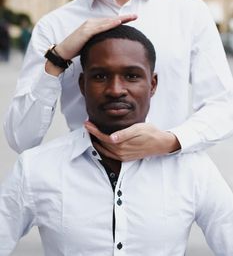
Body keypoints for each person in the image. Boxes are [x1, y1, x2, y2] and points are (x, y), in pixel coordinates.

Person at [4, 0, 233, 158]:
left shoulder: (189, 11)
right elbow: (20, 138)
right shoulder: (54, 26)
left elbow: (223, 106)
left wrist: (171, 140)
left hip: (168, 187)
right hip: (84, 186)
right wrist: (58, 58)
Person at [1, 25, 233, 255]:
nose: (115, 90)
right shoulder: (36, 167)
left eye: (131, 76)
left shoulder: (193, 170)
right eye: (100, 76)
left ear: (152, 85)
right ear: (82, 85)